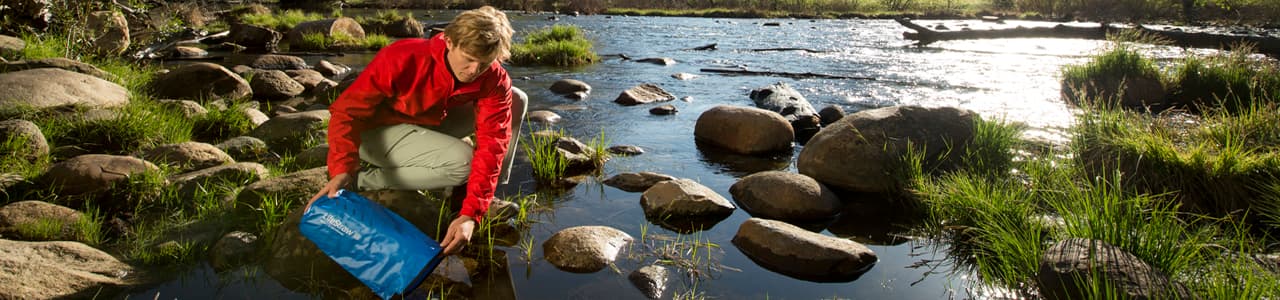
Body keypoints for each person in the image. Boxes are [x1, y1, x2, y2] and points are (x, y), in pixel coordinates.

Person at [307, 6, 525, 256]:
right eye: (468, 58)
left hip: (427, 120)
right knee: (464, 162)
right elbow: (347, 113)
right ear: (449, 42)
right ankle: (362, 181)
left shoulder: (492, 77)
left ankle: (477, 198)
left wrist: (471, 213)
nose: (474, 70)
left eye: (484, 63)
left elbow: (493, 142)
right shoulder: (402, 56)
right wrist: (342, 169)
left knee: (516, 99)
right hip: (375, 131)